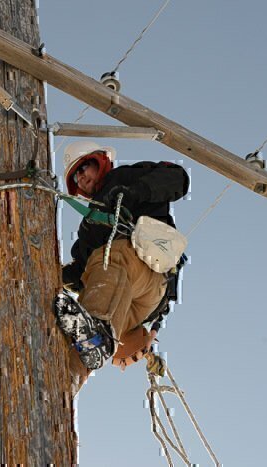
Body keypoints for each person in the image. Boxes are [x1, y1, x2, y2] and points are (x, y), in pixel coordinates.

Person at [54, 140, 189, 382]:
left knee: (110, 256)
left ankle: (96, 333)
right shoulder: (89, 227)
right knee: (74, 331)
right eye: (75, 177)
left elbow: (177, 178)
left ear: (100, 160)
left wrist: (135, 192)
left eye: (83, 167)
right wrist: (53, 275)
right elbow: (82, 272)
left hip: (147, 275)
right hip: (124, 306)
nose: (81, 177)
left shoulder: (125, 178)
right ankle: (66, 379)